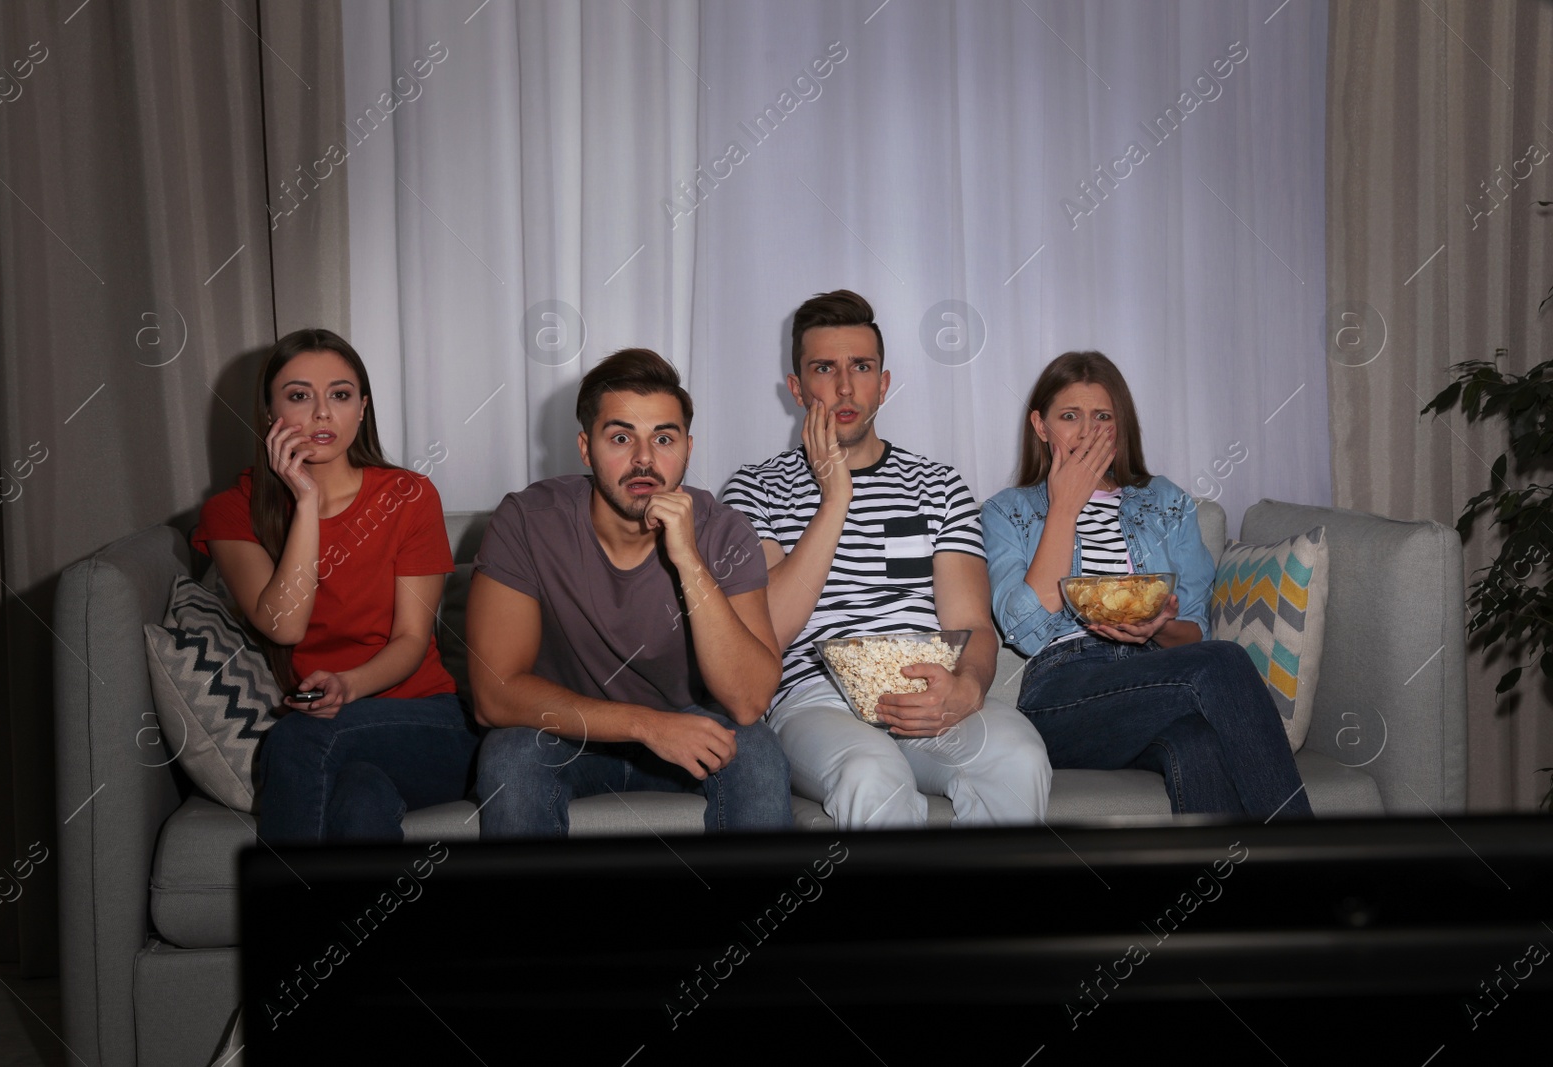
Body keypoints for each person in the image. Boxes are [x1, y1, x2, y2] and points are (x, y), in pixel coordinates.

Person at [722, 290, 1051, 829]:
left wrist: (966, 687)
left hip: (927, 695)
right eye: (824, 368)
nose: (845, 386)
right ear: (797, 388)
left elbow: (971, 625)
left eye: (862, 367)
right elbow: (766, 632)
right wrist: (835, 500)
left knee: (1018, 757)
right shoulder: (757, 489)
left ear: (884, 383)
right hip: (815, 700)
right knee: (871, 773)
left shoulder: (939, 485)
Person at [467, 349, 791, 837]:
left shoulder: (724, 531)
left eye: (664, 438)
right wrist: (646, 725)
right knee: (510, 755)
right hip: (569, 732)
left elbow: (747, 702)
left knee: (759, 754)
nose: (644, 459)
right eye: (621, 438)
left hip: (691, 725)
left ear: (687, 448)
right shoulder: (528, 521)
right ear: (585, 448)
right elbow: (494, 695)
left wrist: (689, 561)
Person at [983, 350, 1312, 819]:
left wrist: (1156, 629)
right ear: (1041, 426)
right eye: (1069, 417)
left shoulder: (1165, 502)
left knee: (1197, 743)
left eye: (1102, 417)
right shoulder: (1006, 511)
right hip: (1063, 694)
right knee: (1223, 662)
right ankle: (1317, 864)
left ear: (1120, 427)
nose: (1086, 432)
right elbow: (1025, 632)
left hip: (1154, 680)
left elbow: (1195, 627)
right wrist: (1064, 506)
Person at [193, 328, 478, 843]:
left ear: (363, 409)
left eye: (341, 396)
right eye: (300, 396)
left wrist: (349, 685)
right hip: (334, 738)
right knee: (359, 801)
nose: (323, 414)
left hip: (424, 722)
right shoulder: (232, 511)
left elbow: (412, 641)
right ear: (268, 413)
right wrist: (304, 502)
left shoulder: (408, 496)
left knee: (299, 740)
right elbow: (284, 626)